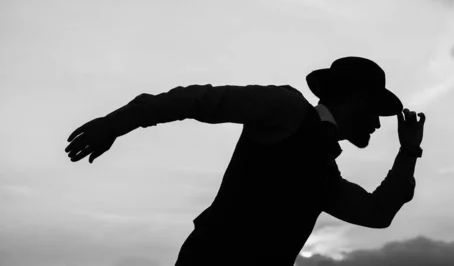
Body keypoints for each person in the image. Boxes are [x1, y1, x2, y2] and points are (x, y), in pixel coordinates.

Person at [64, 56, 426, 265]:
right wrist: (114, 124)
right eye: (376, 112)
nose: (379, 124)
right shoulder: (286, 108)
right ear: (359, 99)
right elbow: (198, 100)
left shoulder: (324, 175)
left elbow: (376, 214)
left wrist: (408, 152)